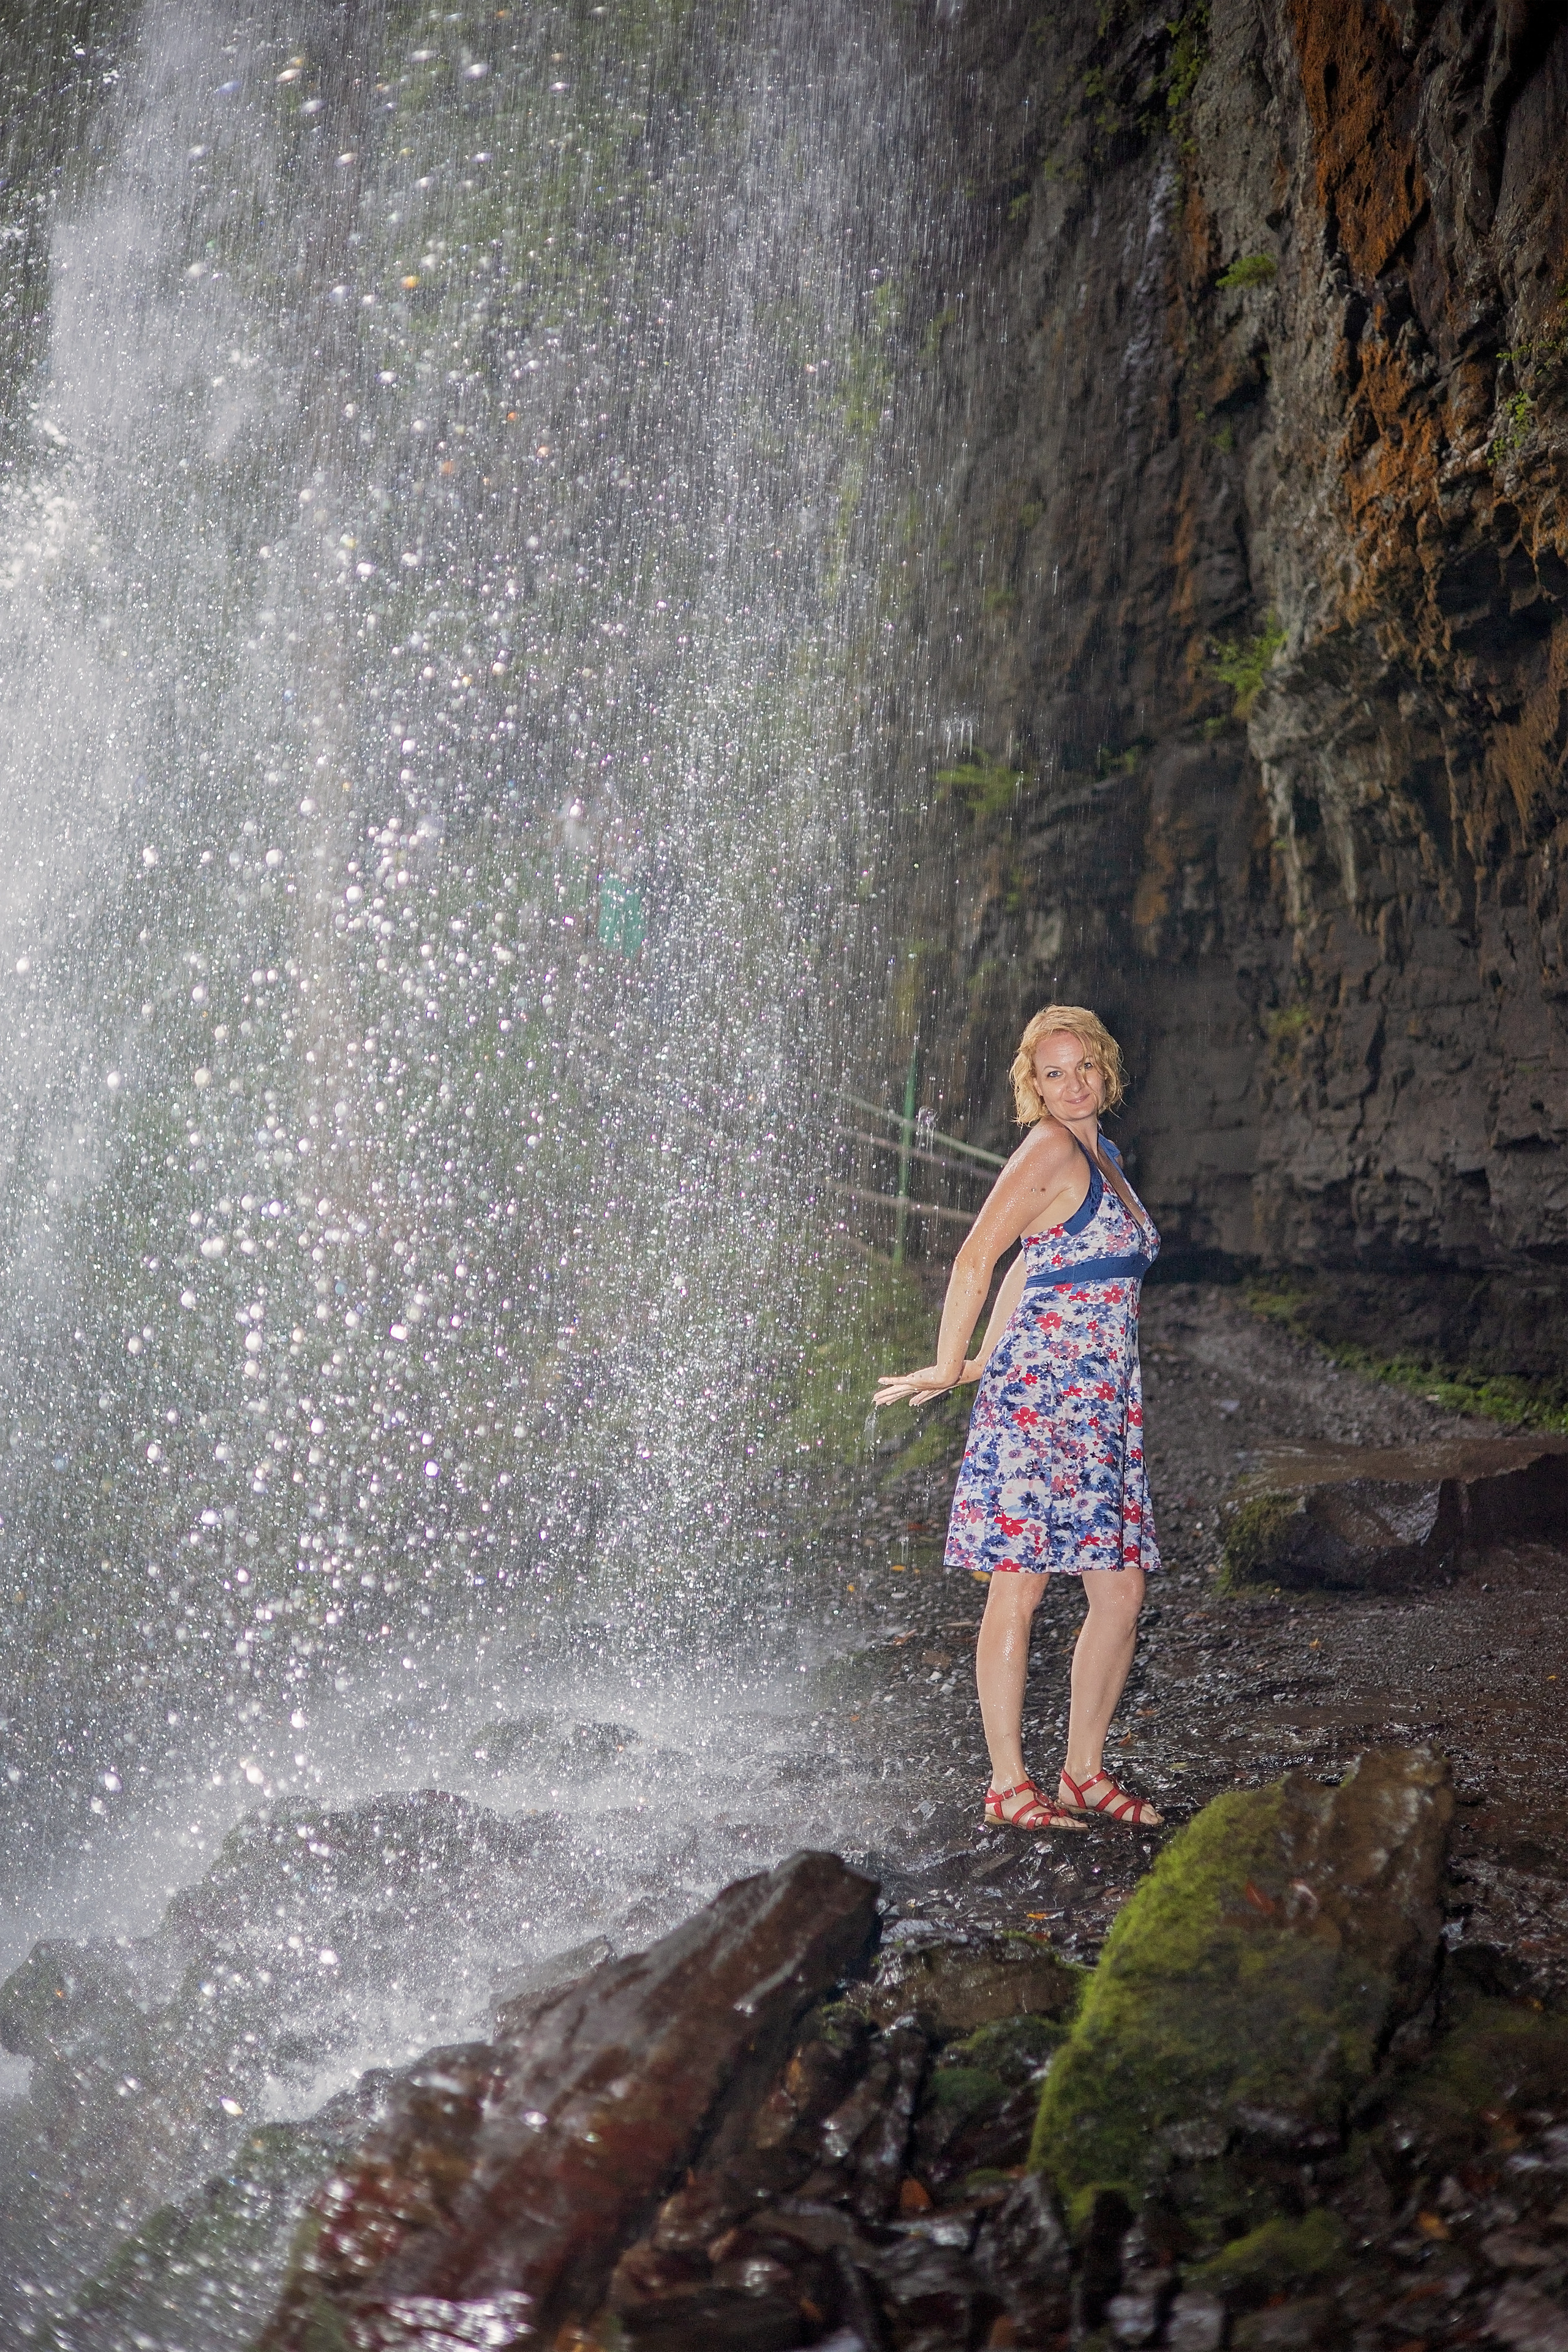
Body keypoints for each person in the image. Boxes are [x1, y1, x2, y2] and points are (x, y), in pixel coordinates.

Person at [875, 1005, 1163, 1833]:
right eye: (1053, 1072)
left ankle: (1081, 1774)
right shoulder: (1046, 1148)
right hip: (1044, 1403)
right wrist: (946, 1360)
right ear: (1032, 1088)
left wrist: (975, 1361)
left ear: (1106, 1069)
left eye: (1084, 1067)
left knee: (1119, 1589)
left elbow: (1030, 1271)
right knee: (1022, 1585)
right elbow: (977, 1257)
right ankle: (1008, 1785)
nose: (1073, 1083)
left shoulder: (1101, 1154)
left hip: (1098, 1402)